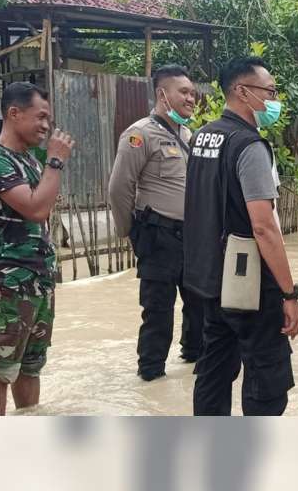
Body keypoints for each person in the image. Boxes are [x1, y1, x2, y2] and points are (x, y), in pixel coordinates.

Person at [183, 57, 298, 416]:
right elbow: (264, 226)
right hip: (248, 282)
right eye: (270, 91)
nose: (274, 99)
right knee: (267, 377)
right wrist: (288, 293)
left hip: (208, 280)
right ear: (242, 91)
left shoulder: (203, 136)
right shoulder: (248, 145)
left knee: (214, 370)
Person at [0, 82, 74, 415]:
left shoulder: (31, 161)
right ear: (14, 113)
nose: (47, 126)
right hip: (10, 284)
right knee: (0, 370)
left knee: (31, 365)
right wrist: (56, 162)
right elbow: (35, 209)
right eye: (40, 116)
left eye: (49, 118)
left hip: (39, 281)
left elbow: (41, 216)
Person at [108, 64, 204, 382]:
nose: (192, 98)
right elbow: (120, 187)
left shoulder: (189, 136)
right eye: (184, 92)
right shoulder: (140, 135)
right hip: (158, 235)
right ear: (162, 94)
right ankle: (151, 374)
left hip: (190, 237)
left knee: (198, 304)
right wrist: (130, 232)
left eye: (193, 92)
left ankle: (193, 359)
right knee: (158, 311)